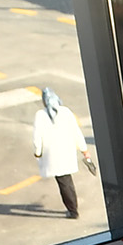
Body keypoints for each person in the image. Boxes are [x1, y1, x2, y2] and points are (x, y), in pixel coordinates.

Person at [32, 88, 88, 220]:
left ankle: (73, 210)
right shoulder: (66, 112)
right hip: (66, 152)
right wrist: (84, 150)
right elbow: (76, 132)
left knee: (63, 182)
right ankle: (73, 207)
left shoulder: (40, 115)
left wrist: (37, 153)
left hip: (52, 155)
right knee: (67, 180)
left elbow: (36, 137)